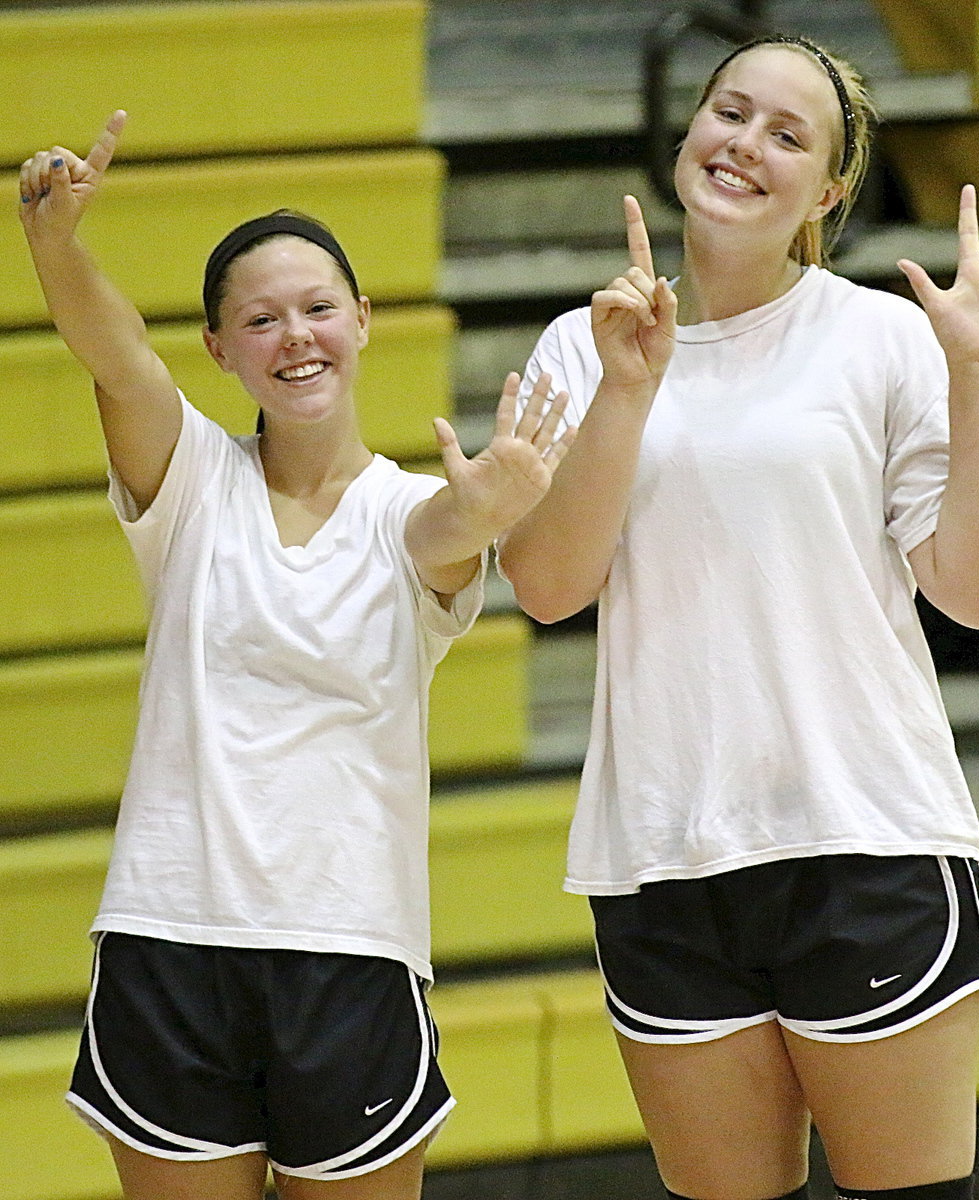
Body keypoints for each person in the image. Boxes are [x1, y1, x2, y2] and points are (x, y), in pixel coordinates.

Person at [498, 34, 979, 1200]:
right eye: (728, 111)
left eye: (785, 134)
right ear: (686, 129)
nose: (742, 144)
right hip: (660, 856)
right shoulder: (584, 343)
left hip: (862, 839)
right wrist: (626, 392)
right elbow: (548, 587)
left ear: (830, 191)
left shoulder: (886, 337)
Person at [19, 111, 573, 1200]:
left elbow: (442, 543)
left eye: (319, 307)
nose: (297, 335)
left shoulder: (418, 509)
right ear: (221, 352)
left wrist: (489, 508)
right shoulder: (187, 484)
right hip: (167, 943)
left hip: (350, 954)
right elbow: (117, 360)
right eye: (260, 319)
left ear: (362, 321)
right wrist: (55, 244)